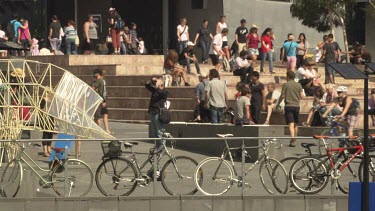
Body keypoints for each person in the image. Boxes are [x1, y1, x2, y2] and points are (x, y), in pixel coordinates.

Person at [277, 71, 304, 147]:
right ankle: (294, 139)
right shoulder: (298, 85)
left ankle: (292, 140)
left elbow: (282, 96)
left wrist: (278, 103)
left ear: (288, 77)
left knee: (290, 124)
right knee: (296, 124)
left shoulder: (285, 85)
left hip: (288, 106)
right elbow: (302, 96)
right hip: (297, 106)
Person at [145, 77, 169, 150]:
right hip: (152, 112)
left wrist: (157, 86)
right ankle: (158, 146)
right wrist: (151, 80)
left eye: (157, 82)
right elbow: (147, 85)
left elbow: (160, 92)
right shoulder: (155, 90)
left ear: (161, 83)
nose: (156, 83)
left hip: (158, 113)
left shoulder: (164, 91)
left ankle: (162, 147)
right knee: (155, 132)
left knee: (160, 131)